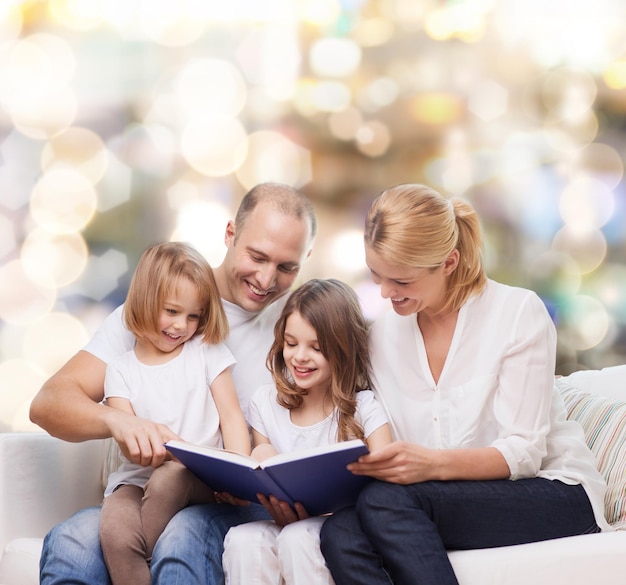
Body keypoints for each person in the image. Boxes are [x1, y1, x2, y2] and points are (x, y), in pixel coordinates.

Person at [319, 184, 610, 585]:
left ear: (449, 262)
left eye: (401, 281)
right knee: (340, 533)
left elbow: (524, 452)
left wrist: (429, 464)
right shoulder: (383, 335)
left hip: (551, 491)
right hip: (434, 499)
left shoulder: (516, 313)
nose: (386, 293)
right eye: (376, 276)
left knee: (386, 502)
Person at [29, 182, 317, 584]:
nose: (267, 278)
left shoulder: (302, 329)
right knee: (72, 541)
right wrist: (119, 421)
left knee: (182, 536)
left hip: (232, 501)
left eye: (287, 267)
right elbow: (48, 403)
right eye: (257, 256)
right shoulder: (153, 313)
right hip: (145, 491)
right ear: (230, 233)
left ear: (305, 261)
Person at [99, 242, 251, 585]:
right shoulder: (120, 370)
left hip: (198, 478)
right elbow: (128, 442)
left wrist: (238, 473)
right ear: (144, 301)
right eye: (171, 311)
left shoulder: (206, 350)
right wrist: (158, 443)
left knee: (171, 477)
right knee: (114, 531)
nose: (181, 325)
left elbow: (232, 417)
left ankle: (151, 557)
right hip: (136, 479)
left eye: (193, 316)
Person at [222, 278, 392, 585]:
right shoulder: (265, 402)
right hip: (281, 519)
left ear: (343, 349)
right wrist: (261, 456)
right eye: (291, 343)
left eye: (316, 347)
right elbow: (264, 475)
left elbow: (386, 486)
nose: (299, 356)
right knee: (243, 538)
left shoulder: (364, 408)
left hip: (342, 525)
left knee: (299, 538)